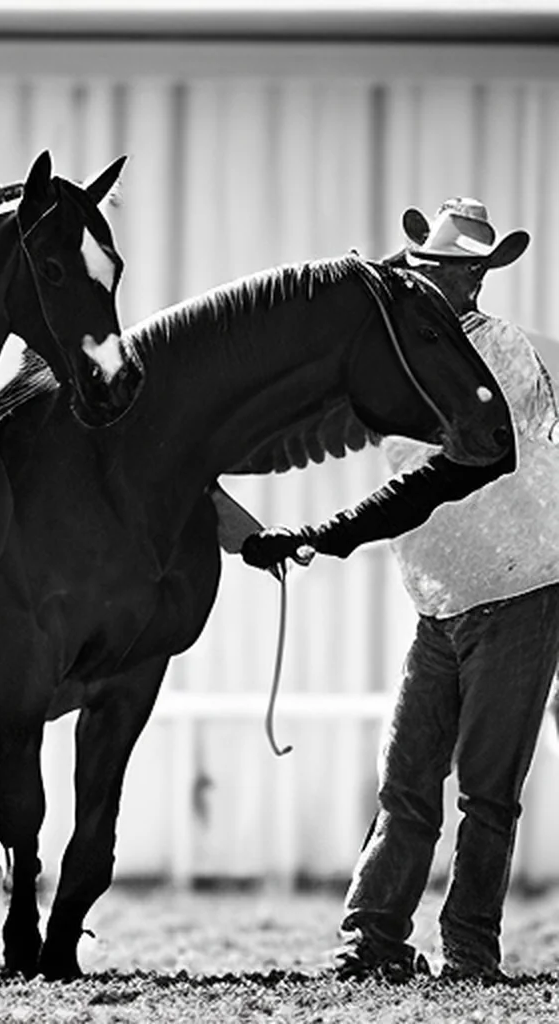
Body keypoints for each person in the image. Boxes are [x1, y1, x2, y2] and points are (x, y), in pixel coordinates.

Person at [240, 198, 559, 983]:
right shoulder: (407, 364)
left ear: (477, 278)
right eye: (426, 268)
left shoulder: (504, 358)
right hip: (440, 598)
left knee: (484, 792)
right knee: (406, 785)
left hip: (520, 591)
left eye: (452, 270)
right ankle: (373, 942)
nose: (435, 281)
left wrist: (326, 533)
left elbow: (435, 481)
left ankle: (468, 952)